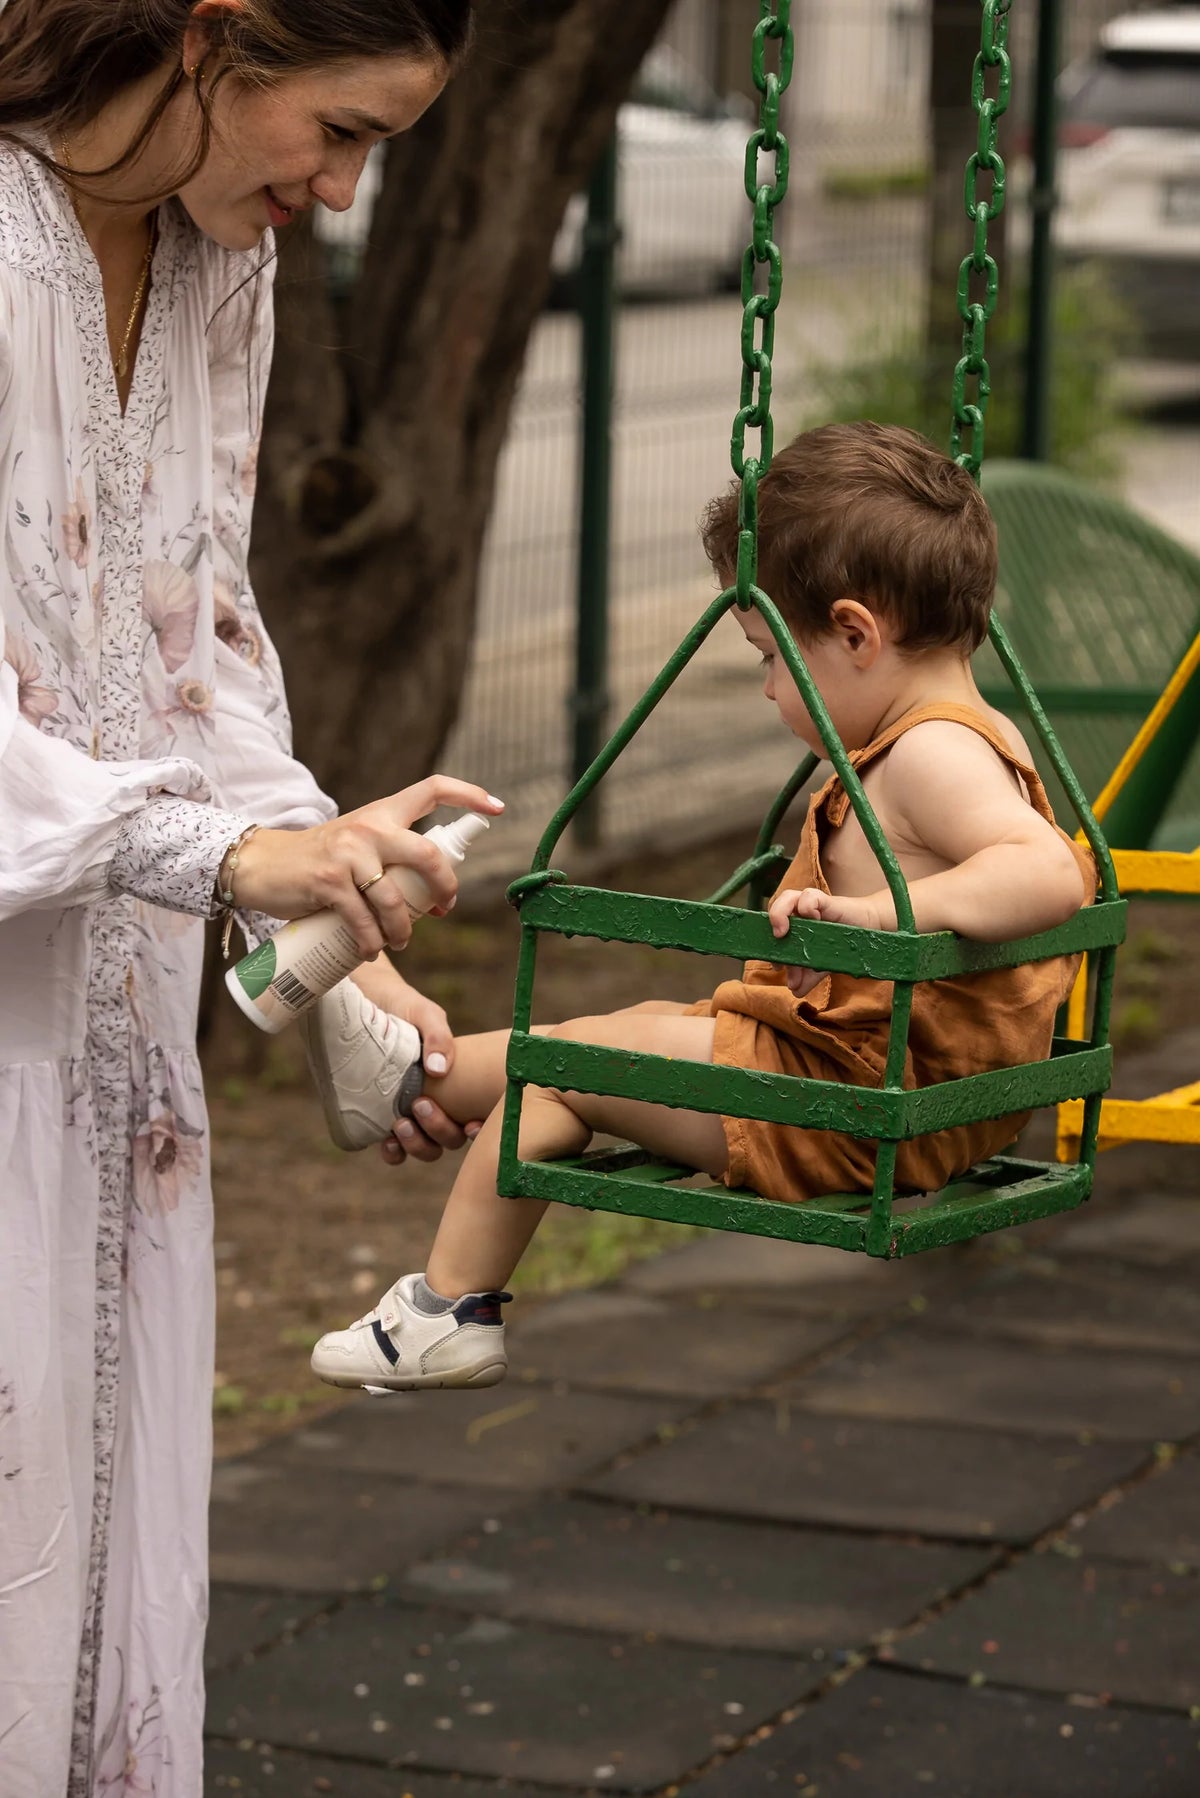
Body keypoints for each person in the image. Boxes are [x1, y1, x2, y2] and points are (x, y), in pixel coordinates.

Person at [0, 2, 499, 1792]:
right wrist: (215, 855)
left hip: (119, 1053)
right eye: (341, 129)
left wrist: (334, 954)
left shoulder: (223, 259)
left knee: (107, 1539)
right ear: (214, 42)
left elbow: (195, 646)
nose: (347, 194)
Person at [309, 421, 1095, 1393]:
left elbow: (1050, 873)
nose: (768, 687)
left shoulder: (935, 753)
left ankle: (445, 1308)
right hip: (837, 1075)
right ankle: (403, 1079)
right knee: (627, 1029)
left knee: (562, 1070)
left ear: (855, 634)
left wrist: (887, 915)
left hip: (845, 1109)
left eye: (770, 655)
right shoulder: (959, 735)